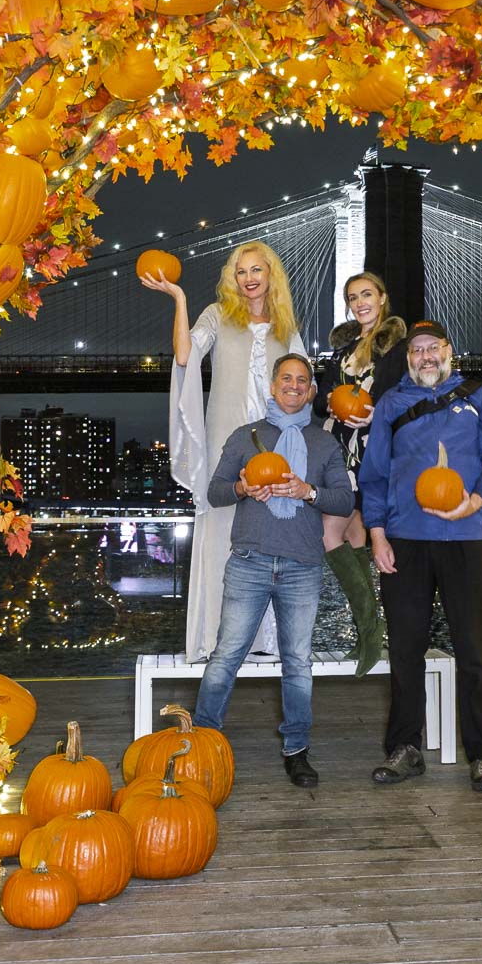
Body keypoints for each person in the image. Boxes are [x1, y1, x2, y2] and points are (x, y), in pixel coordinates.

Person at [358, 319, 482, 792]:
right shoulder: (391, 403)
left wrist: (477, 499)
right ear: (408, 358)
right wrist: (377, 535)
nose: (425, 356)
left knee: (476, 652)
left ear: (448, 350)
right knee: (405, 651)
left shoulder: (479, 396)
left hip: (466, 538)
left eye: (433, 348)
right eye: (417, 350)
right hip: (405, 540)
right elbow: (374, 475)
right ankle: (404, 748)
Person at [191, 354, 354, 787]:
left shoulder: (324, 444)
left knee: (298, 662)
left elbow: (344, 501)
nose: (294, 386)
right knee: (226, 656)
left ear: (312, 391)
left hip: (302, 565)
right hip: (250, 561)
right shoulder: (245, 436)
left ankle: (297, 750)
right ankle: (201, 744)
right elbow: (215, 492)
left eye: (302, 380)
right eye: (286, 378)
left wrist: (308, 491)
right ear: (272, 385)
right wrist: (243, 487)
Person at [139, 242, 306, 662]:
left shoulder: (286, 327)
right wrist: (179, 298)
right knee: (221, 528)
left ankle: (267, 640)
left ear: (270, 275)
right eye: (240, 271)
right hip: (226, 438)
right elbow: (185, 355)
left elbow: (304, 381)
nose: (249, 278)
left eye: (256, 270)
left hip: (274, 441)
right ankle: (218, 637)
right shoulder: (217, 315)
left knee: (272, 533)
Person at [313, 272, 406, 677]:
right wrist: (333, 403)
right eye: (352, 298)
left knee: (328, 533)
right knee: (351, 535)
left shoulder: (397, 349)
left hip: (371, 448)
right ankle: (368, 631)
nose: (360, 303)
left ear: (382, 298)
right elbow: (320, 398)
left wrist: (376, 412)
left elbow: (403, 395)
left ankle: (369, 628)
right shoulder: (342, 351)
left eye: (367, 295)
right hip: (336, 449)